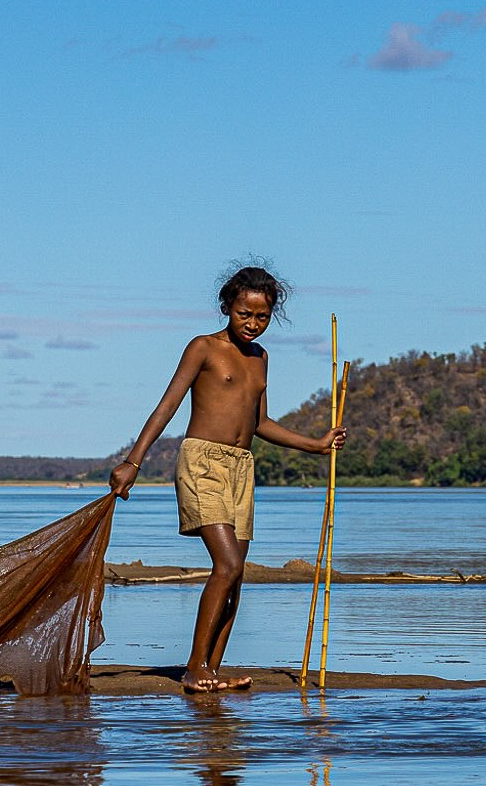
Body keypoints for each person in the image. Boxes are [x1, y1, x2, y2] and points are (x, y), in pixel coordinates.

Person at [109, 266, 346, 694]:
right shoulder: (202, 348)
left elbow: (259, 422)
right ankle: (194, 667)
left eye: (261, 317)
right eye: (244, 314)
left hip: (242, 467)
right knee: (228, 564)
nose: (252, 324)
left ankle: (211, 672)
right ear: (227, 307)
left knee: (236, 576)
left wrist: (316, 444)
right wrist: (133, 462)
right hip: (202, 462)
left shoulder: (260, 359)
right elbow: (166, 406)